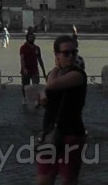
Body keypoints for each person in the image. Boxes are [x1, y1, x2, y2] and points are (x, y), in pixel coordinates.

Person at [36, 35, 88, 184]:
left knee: (67, 181)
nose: (71, 56)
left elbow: (51, 85)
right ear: (57, 54)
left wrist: (55, 67)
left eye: (74, 52)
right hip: (50, 133)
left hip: (71, 135)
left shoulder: (78, 75)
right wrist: (43, 97)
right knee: (43, 180)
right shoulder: (55, 75)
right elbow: (49, 96)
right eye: (66, 53)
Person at [20, 30, 47, 106]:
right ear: (27, 38)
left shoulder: (37, 48)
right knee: (25, 85)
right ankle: (24, 98)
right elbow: (22, 59)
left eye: (33, 37)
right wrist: (24, 68)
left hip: (35, 69)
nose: (32, 39)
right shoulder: (23, 47)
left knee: (36, 85)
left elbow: (40, 59)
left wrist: (43, 70)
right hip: (26, 69)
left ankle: (36, 100)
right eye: (30, 37)